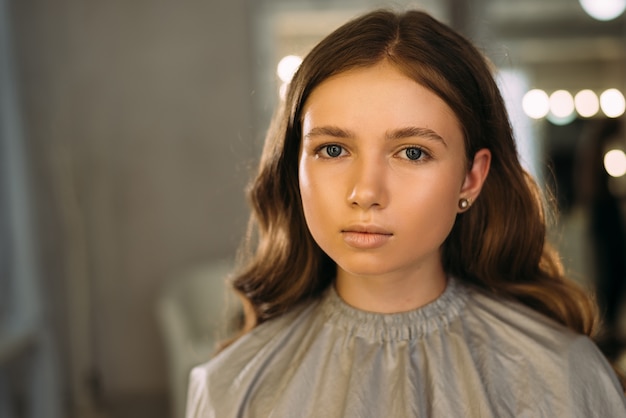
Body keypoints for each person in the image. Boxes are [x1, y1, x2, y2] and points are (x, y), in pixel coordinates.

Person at [186, 9, 626, 417]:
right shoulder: (230, 387)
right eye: (332, 149)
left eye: (413, 152)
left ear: (471, 178)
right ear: (294, 167)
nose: (365, 192)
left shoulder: (561, 375)